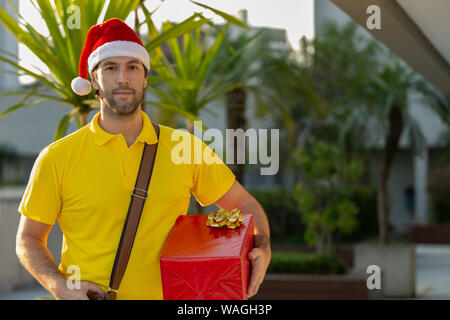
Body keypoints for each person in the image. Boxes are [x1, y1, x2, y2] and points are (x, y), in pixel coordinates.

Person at [15, 18, 271, 300]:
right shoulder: (57, 158)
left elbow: (244, 204)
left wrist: (263, 244)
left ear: (145, 77)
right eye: (110, 67)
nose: (123, 78)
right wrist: (59, 286)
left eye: (132, 67)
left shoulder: (184, 148)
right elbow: (28, 239)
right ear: (93, 80)